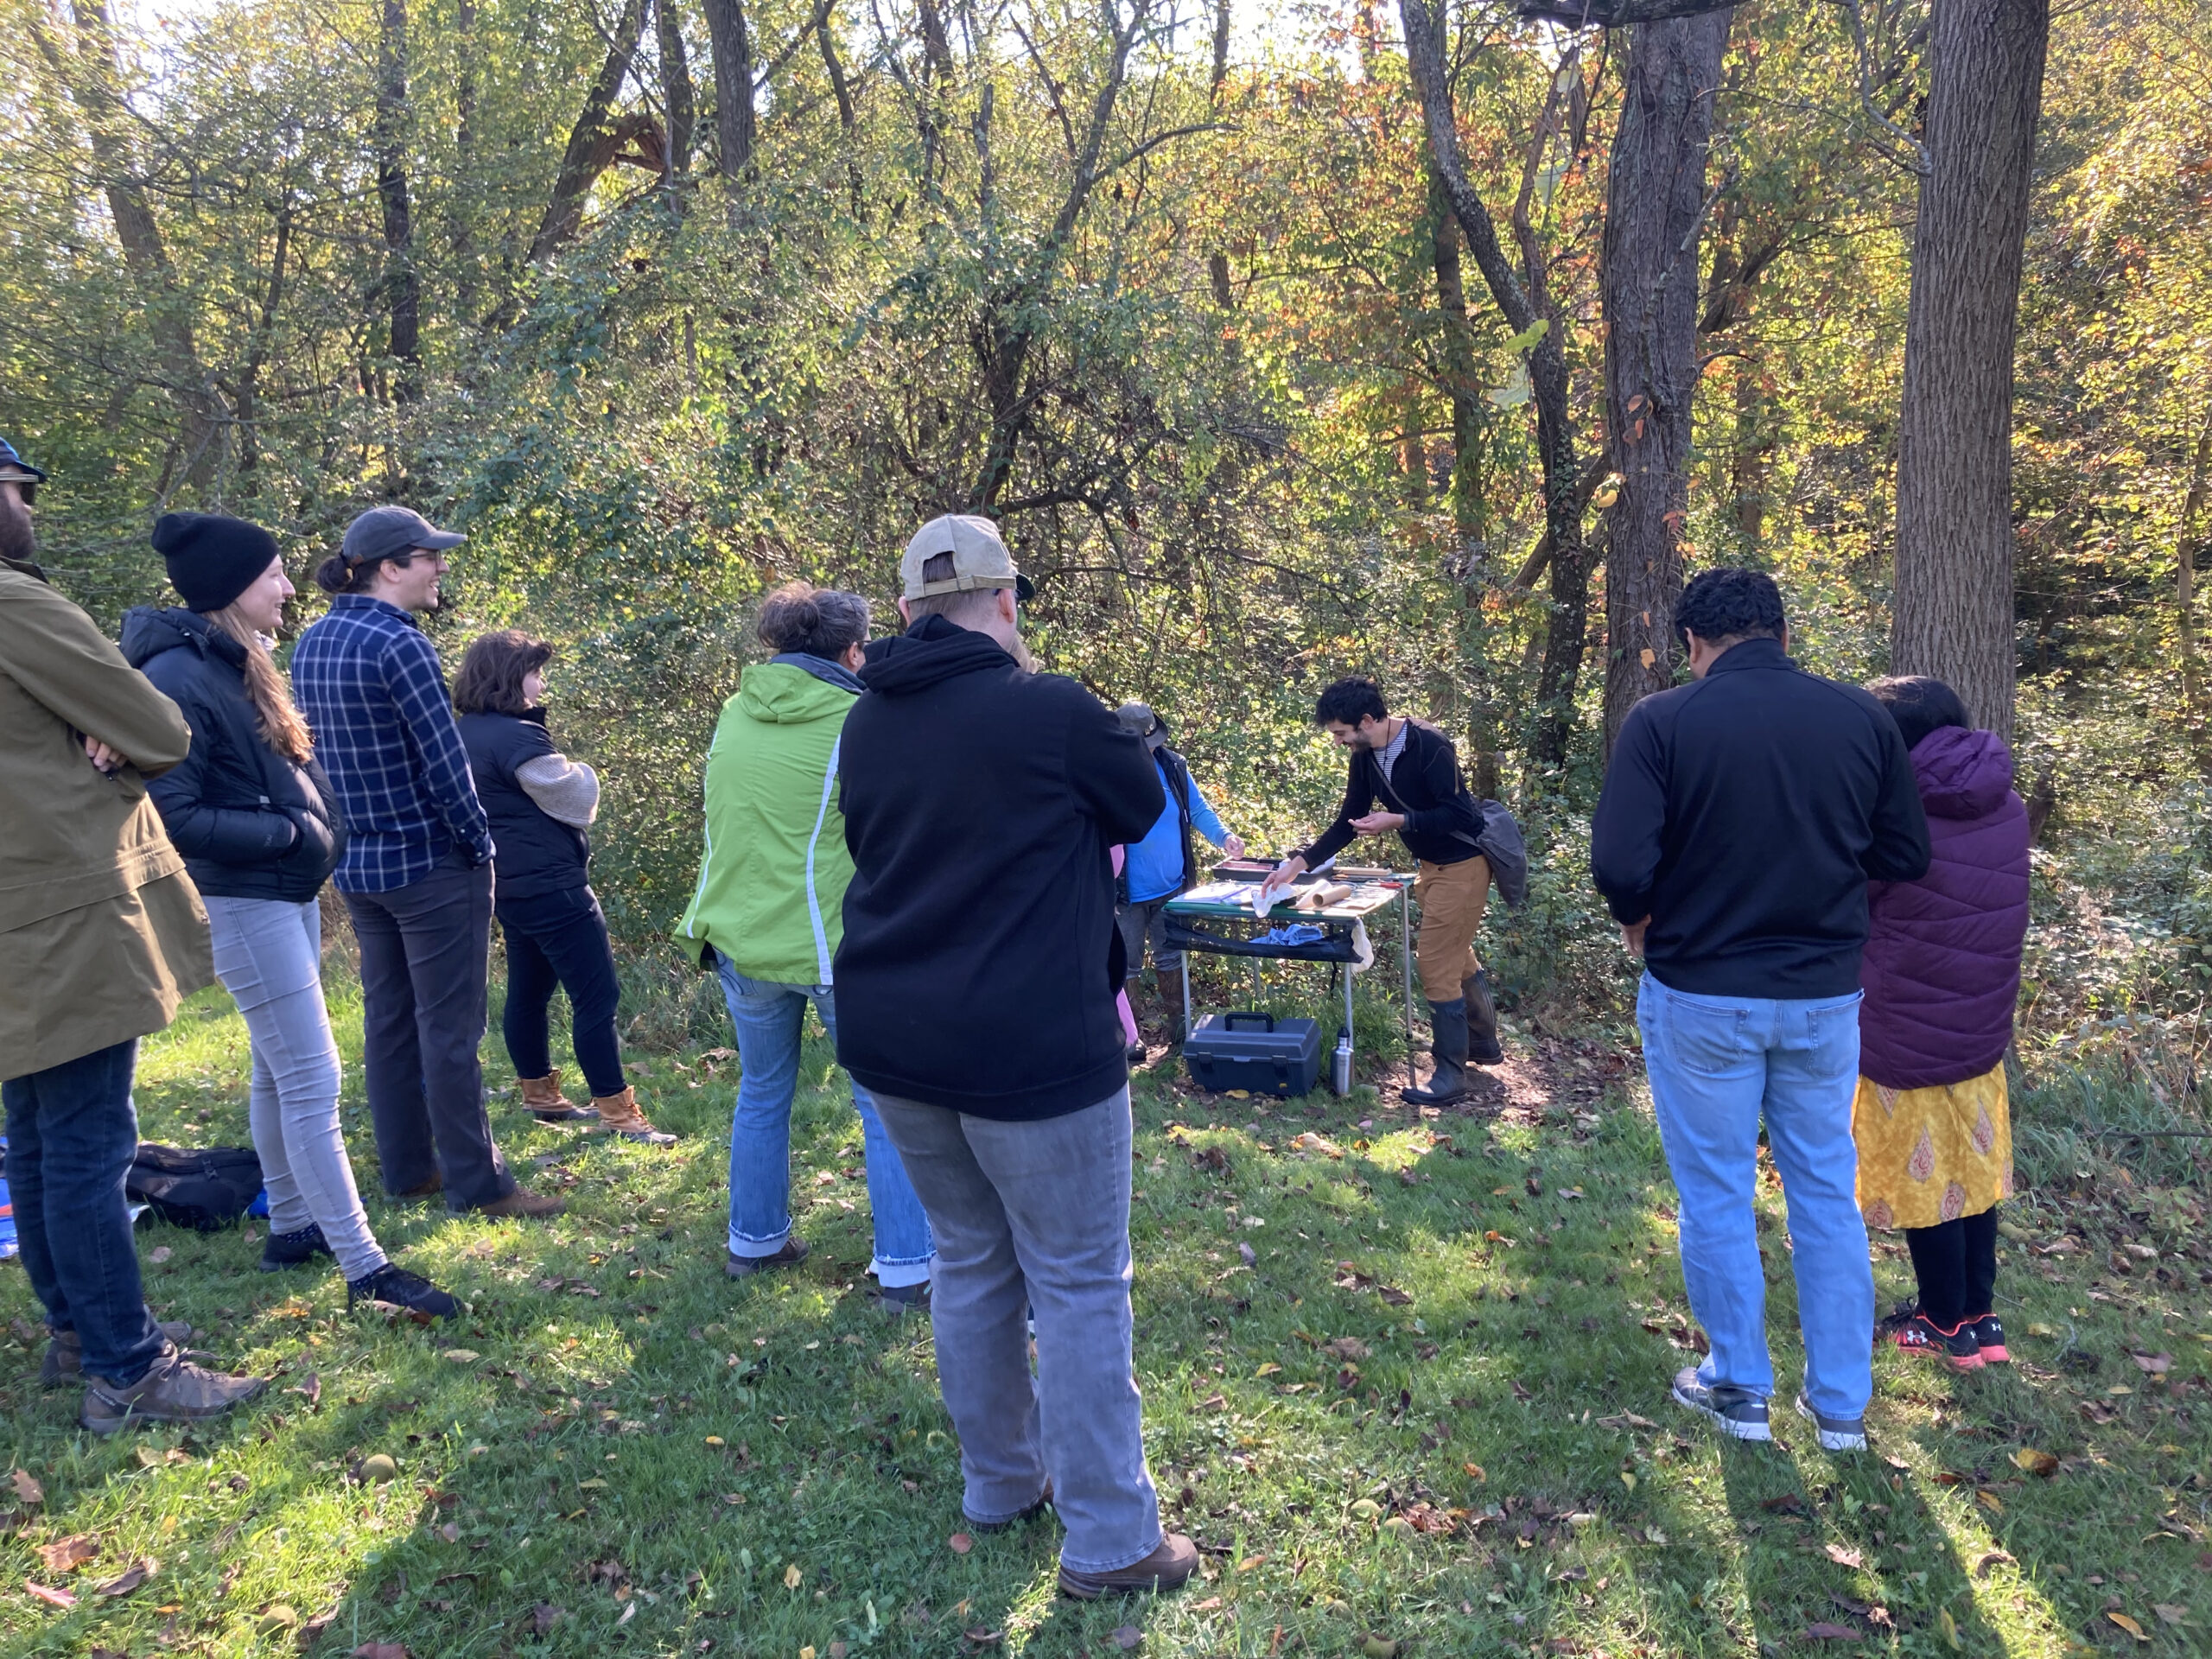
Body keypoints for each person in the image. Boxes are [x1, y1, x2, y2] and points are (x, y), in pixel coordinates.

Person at [834, 515, 1194, 1599]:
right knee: (1080, 1283)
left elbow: (873, 846)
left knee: (971, 1259)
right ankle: (1112, 1541)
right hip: (1031, 1045)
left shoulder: (867, 722)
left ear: (904, 612)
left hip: (899, 1039)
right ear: (1008, 603)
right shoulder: (1048, 707)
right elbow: (1141, 811)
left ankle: (1001, 1484)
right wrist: (1121, 739)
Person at [1590, 568, 1930, 1453]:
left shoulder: (1662, 720)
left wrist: (1640, 926)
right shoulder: (1861, 719)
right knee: (1824, 1191)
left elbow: (1621, 864)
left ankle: (1739, 1385)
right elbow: (1904, 849)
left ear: (1693, 646)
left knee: (1715, 1193)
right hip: (1821, 995)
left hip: (1700, 989)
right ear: (1782, 635)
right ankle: (1841, 1407)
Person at [122, 514, 461, 1319]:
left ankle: (294, 1225)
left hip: (286, 892)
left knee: (278, 1071)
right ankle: (366, 1269)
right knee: (313, 1079)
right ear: (231, 590)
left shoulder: (241, 661)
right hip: (246, 899)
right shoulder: (178, 677)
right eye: (273, 574)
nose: (287, 587)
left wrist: (305, 835)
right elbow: (176, 815)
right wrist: (288, 833)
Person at [0, 439, 268, 1431]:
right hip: (58, 913)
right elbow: (160, 731)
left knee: (33, 1132)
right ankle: (129, 1365)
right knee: (86, 1142)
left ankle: (74, 1333)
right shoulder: (15, 604)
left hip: (15, 912)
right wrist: (105, 725)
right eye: (16, 489)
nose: (27, 505)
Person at [290, 505, 558, 1219]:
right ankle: (481, 1185)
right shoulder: (400, 646)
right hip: (431, 866)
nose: (442, 567)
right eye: (429, 556)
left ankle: (409, 1171)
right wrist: (480, 846)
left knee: (390, 1022)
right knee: (451, 1031)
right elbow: (446, 769)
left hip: (359, 868)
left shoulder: (311, 643)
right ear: (389, 567)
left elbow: (310, 759)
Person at [675, 584, 931, 1310]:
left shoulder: (735, 710)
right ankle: (908, 1266)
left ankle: (753, 1242)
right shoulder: (861, 718)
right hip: (830, 944)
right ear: (853, 652)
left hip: (739, 937)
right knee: (885, 1106)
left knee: (761, 1092)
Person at [1854, 676, 2029, 1370]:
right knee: (1973, 1174)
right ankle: (1982, 1320)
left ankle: (1939, 1320)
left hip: (1907, 1025)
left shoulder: (1896, 811)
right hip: (1980, 1024)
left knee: (1929, 1183)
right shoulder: (2005, 801)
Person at [455, 631, 673, 1146]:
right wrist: (587, 769)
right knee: (597, 996)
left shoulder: (464, 730)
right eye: (534, 672)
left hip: (505, 882)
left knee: (529, 991)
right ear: (511, 677)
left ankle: (541, 1095)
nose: (541, 681)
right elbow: (575, 798)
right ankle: (619, 1114)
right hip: (554, 885)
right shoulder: (517, 737)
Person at [1256, 677, 1503, 1104]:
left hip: (1464, 865)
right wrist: (1297, 865)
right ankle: (1482, 1042)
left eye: (1341, 733)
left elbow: (1462, 814)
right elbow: (1349, 819)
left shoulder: (1429, 745)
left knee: (1435, 965)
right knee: (1455, 953)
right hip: (1431, 867)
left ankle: (1450, 1075)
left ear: (1367, 721)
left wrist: (1399, 821)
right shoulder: (1365, 757)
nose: (1338, 742)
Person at [1110, 702, 1243, 1054]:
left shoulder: (1173, 767)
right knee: (1127, 965)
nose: (1149, 750)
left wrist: (1225, 838)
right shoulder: (1107, 773)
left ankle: (1180, 1036)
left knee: (1171, 959)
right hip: (1125, 895)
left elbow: (1197, 810)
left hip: (1171, 888)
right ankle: (1130, 1040)